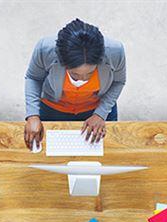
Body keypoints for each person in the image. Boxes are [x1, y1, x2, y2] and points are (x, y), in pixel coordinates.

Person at [24, 19, 126, 149]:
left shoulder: (115, 51)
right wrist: (32, 115)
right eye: (74, 74)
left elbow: (118, 81)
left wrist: (100, 114)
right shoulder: (45, 48)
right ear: (62, 62)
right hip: (52, 108)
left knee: (102, 159)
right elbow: (33, 78)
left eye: (89, 73)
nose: (82, 80)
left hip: (97, 109)